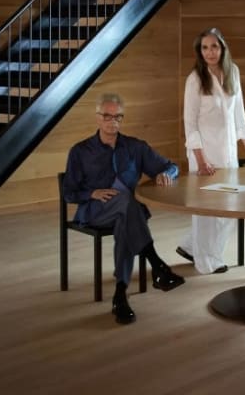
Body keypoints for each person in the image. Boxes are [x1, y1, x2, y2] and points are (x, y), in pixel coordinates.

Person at [62, 93, 185, 325]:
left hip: (126, 214)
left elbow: (171, 166)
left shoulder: (135, 147)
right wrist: (92, 193)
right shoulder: (80, 151)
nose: (113, 122)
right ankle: (157, 266)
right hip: (95, 212)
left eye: (118, 117)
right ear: (98, 118)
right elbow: (69, 192)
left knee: (125, 215)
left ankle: (120, 295)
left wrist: (166, 174)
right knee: (127, 202)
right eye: (107, 116)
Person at [176, 27, 245, 274]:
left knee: (231, 208)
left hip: (228, 153)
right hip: (204, 154)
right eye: (204, 47)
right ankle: (207, 261)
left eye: (214, 46)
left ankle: (191, 246)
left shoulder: (232, 72)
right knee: (206, 211)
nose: (209, 52)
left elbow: (239, 112)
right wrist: (200, 160)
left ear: (222, 48)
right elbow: (189, 123)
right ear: (199, 51)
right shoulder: (195, 79)